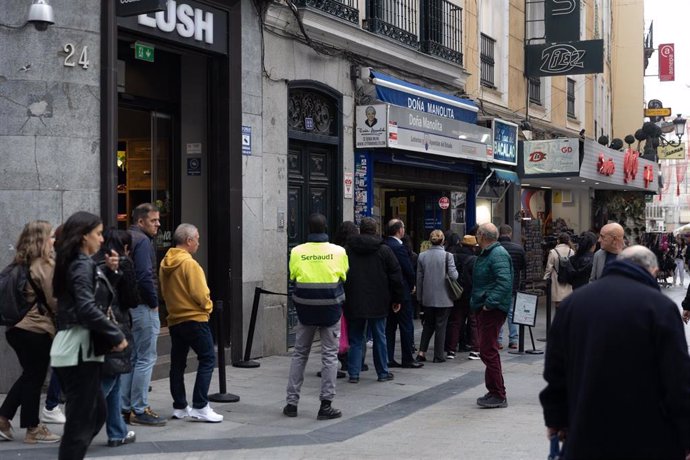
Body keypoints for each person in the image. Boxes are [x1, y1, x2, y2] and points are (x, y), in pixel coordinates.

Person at [540, 246, 690, 459]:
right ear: (653, 271)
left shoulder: (574, 303)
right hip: (649, 437)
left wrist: (556, 419)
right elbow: (678, 379)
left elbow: (555, 370)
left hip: (586, 432)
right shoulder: (660, 307)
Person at [50, 211, 127, 460]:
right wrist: (115, 335)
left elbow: (89, 300)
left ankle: (74, 450)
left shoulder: (81, 263)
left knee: (96, 414)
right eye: (98, 233)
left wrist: (111, 275)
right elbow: (85, 307)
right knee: (82, 421)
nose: (102, 239)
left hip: (80, 349)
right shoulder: (81, 264)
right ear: (84, 237)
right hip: (77, 349)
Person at [0, 221, 61, 444]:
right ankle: (32, 428)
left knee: (30, 376)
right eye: (51, 237)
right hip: (36, 329)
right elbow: (54, 300)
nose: (54, 241)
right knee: (34, 379)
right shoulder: (44, 264)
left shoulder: (19, 263)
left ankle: (3, 418)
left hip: (16, 329)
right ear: (42, 240)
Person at [284, 213, 349, 420]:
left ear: (308, 229)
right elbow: (343, 275)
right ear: (326, 227)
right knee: (329, 356)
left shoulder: (297, 251)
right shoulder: (339, 251)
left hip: (305, 310)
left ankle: (291, 403)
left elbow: (293, 275)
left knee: (300, 354)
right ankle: (326, 404)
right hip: (330, 309)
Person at [160, 223, 224, 423]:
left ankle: (180, 406)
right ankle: (200, 405)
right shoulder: (190, 264)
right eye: (196, 238)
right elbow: (200, 293)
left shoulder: (165, 263)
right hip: (194, 318)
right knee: (207, 359)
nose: (198, 242)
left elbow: (163, 292)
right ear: (188, 240)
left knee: (177, 364)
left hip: (175, 319)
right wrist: (208, 307)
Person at [121, 203, 166, 426]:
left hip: (129, 307)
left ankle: (125, 408)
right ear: (140, 221)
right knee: (145, 358)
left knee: (133, 358)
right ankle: (139, 408)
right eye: (153, 221)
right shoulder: (143, 241)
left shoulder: (128, 237)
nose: (158, 224)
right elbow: (144, 276)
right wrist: (153, 302)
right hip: (142, 307)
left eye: (158, 220)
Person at [343, 217, 404, 383]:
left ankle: (354, 373)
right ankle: (382, 372)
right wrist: (397, 298)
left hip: (354, 299)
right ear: (375, 230)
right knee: (379, 337)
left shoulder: (348, 249)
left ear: (360, 230)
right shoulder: (384, 250)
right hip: (379, 299)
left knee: (356, 338)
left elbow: (341, 274)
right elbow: (395, 276)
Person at [95, 229, 137, 447]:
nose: (100, 238)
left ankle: (117, 431)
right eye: (96, 233)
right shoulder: (120, 263)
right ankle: (80, 427)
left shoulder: (91, 262)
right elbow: (131, 298)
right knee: (107, 381)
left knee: (115, 379)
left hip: (103, 328)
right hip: (114, 326)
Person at [470, 223, 513, 409]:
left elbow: (504, 282)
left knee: (488, 350)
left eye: (477, 234)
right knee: (488, 349)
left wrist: (489, 303)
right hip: (486, 306)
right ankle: (493, 390)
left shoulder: (497, 254)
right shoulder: (490, 253)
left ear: (482, 236)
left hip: (492, 309)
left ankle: (498, 393)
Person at [384, 219, 423, 369]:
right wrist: (413, 284)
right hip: (401, 291)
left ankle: (389, 357)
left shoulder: (384, 244)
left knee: (390, 326)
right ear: (399, 230)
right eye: (403, 227)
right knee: (406, 325)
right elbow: (407, 269)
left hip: (387, 291)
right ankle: (407, 358)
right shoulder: (398, 247)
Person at [415, 230, 458, 363]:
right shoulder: (448, 256)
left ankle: (421, 352)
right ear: (443, 241)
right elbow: (454, 276)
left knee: (428, 325)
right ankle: (438, 355)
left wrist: (420, 297)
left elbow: (419, 279)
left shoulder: (422, 256)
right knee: (441, 326)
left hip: (427, 296)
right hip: (444, 297)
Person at [497, 224, 526, 349]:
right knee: (512, 313)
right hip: (513, 286)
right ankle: (513, 340)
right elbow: (522, 267)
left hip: (497, 286)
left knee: (498, 313)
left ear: (499, 233)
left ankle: (498, 340)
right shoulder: (518, 249)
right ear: (510, 234)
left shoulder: (495, 248)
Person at [543, 233, 573, 309]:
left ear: (558, 241)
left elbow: (549, 267)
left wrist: (545, 278)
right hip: (568, 279)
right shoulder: (571, 251)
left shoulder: (553, 252)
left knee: (558, 302)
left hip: (556, 278)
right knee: (568, 301)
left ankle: (559, 318)